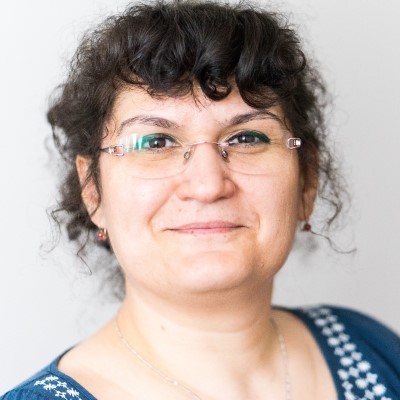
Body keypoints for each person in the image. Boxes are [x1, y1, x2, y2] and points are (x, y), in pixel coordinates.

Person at [1, 1, 399, 399]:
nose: (208, 185)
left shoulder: (374, 350)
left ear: (306, 181)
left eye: (247, 138)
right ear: (93, 191)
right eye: (156, 143)